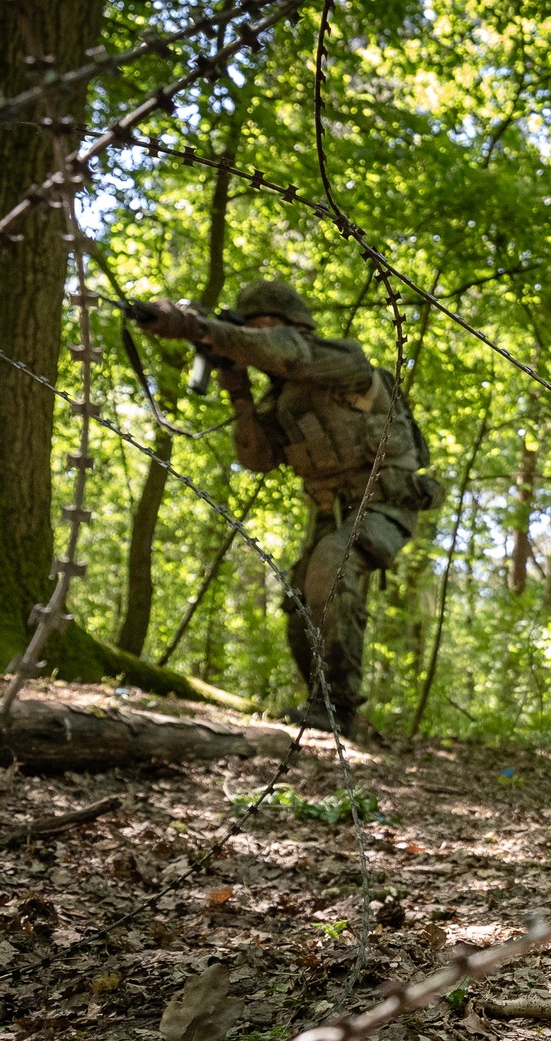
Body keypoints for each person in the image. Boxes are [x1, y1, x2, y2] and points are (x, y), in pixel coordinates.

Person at [138, 281, 441, 737]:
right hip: (329, 512)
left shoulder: (342, 361)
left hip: (385, 502)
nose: (253, 338)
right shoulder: (279, 400)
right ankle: (321, 705)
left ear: (293, 325)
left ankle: (339, 709)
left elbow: (286, 354)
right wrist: (238, 392)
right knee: (300, 601)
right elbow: (257, 459)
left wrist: (199, 328)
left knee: (331, 568)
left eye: (259, 327)